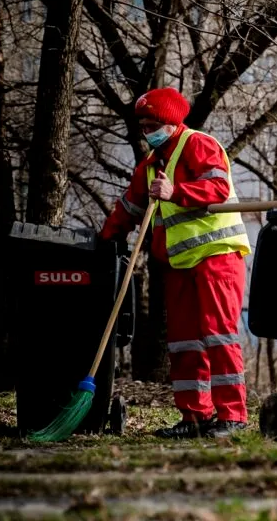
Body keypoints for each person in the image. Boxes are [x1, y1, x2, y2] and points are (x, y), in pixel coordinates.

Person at [99, 88, 252, 439]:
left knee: (219, 336)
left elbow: (216, 188)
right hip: (180, 263)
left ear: (171, 122)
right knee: (183, 342)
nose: (146, 130)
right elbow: (129, 208)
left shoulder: (199, 144)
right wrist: (104, 239)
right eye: (143, 125)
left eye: (152, 124)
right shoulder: (152, 164)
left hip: (217, 256)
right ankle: (194, 417)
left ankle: (233, 416)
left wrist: (176, 192)